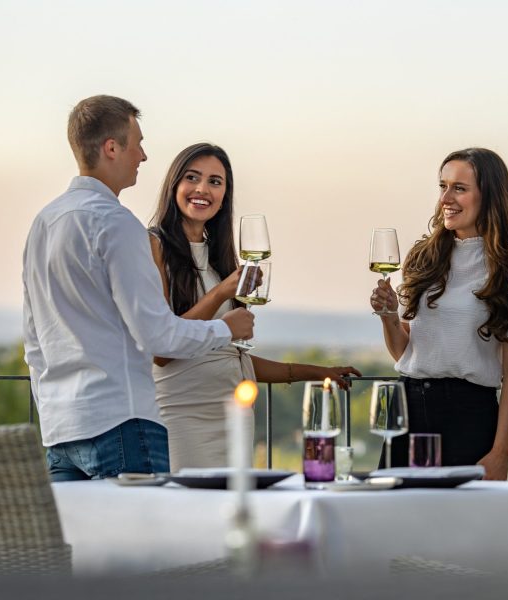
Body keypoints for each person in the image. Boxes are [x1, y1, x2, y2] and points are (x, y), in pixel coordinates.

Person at [22, 96, 255, 482]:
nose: (143, 156)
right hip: (123, 424)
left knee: (83, 543)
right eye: (138, 143)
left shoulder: (43, 223)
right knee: (146, 542)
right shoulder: (118, 225)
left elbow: (34, 341)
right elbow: (158, 336)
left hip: (61, 429)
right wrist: (227, 328)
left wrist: (52, 410)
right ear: (112, 148)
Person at [148, 142, 361, 470]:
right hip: (184, 419)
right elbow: (161, 351)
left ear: (225, 196)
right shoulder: (154, 245)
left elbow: (232, 356)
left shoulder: (220, 259)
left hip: (234, 418)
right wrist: (221, 293)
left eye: (215, 182)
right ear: (174, 184)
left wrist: (316, 372)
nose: (203, 189)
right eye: (192, 178)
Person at [370, 147, 508, 480]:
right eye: (442, 186)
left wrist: (501, 453)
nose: (446, 197)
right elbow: (405, 351)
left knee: (462, 528)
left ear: (489, 196)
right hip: (408, 410)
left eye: (459, 188)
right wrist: (389, 316)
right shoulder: (423, 258)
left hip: (470, 417)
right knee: (396, 524)